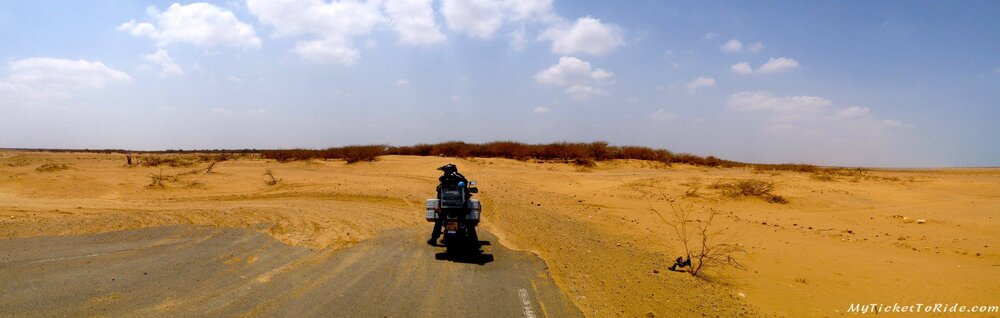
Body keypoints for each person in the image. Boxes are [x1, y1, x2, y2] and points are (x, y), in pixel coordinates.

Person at [428, 164, 469, 245]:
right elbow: (465, 186)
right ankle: (473, 239)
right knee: (468, 221)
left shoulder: (445, 179)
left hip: (446, 207)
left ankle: (433, 239)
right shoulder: (457, 178)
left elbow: (439, 192)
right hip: (459, 207)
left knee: (439, 221)